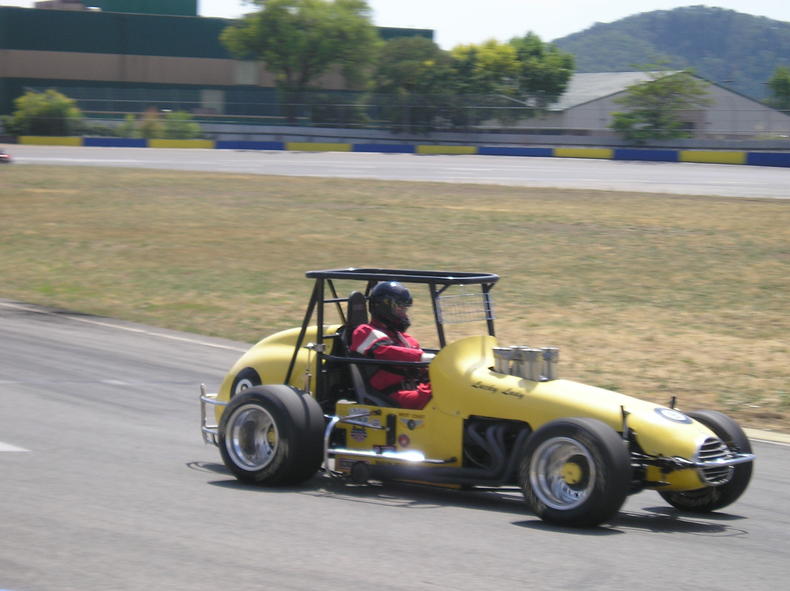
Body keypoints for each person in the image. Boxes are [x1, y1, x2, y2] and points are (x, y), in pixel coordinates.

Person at [350, 281, 433, 409]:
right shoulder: (364, 331)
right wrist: (421, 357)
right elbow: (386, 352)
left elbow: (420, 364)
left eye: (405, 310)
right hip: (390, 394)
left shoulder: (402, 338)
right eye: (400, 309)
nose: (404, 315)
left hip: (414, 388)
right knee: (435, 395)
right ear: (383, 308)